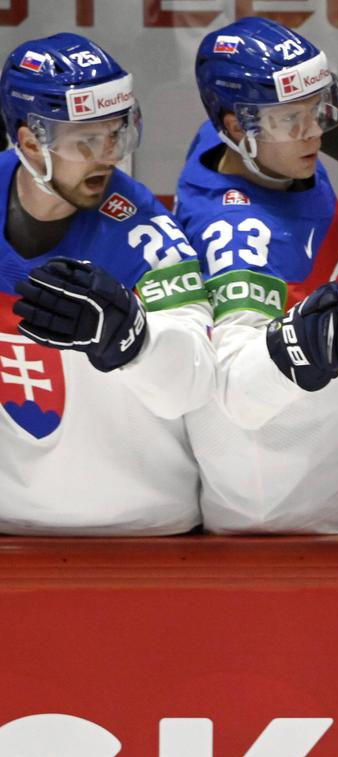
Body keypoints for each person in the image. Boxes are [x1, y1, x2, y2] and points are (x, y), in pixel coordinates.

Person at [175, 18, 338, 534]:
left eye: (316, 110)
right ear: (235, 127)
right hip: (285, 516)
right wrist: (307, 347)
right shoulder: (236, 238)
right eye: (291, 118)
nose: (313, 130)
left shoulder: (256, 152)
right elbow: (235, 386)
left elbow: (296, 241)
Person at [0, 34, 214, 534]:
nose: (109, 155)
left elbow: (195, 382)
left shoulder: (147, 234)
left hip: (144, 532)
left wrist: (135, 341)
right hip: (9, 534)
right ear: (32, 142)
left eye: (115, 134)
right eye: (87, 140)